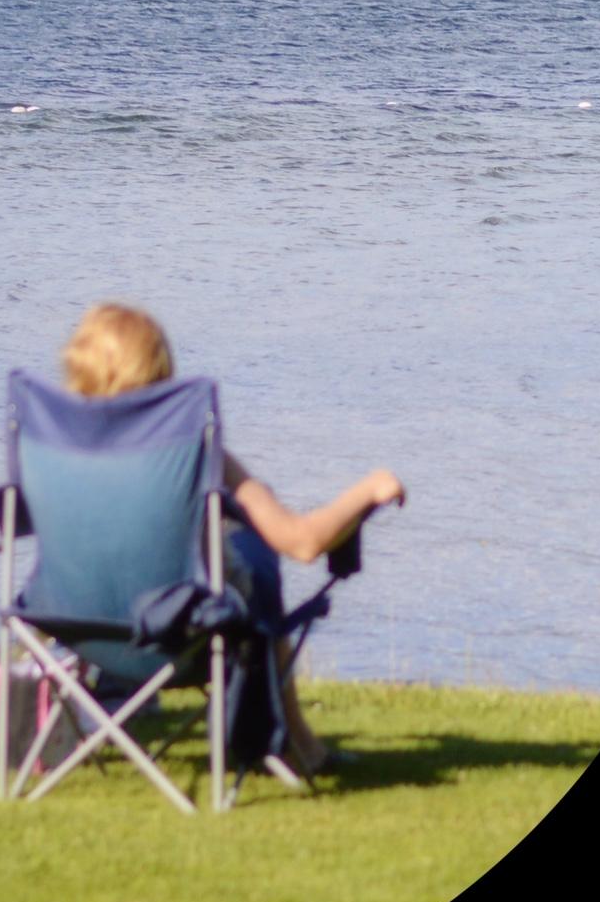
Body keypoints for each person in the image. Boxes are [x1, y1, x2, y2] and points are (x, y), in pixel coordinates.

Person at [59, 303, 407, 778]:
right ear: (161, 377)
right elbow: (303, 542)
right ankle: (296, 746)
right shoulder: (193, 455)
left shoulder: (57, 454)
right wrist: (371, 488)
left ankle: (114, 698)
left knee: (232, 553)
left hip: (81, 630)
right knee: (252, 556)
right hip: (179, 643)